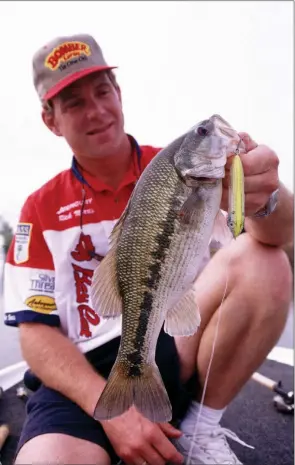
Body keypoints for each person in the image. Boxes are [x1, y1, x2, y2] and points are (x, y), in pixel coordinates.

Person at [3, 33, 293, 465]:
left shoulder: (179, 169)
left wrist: (266, 197)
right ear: (51, 120)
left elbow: (276, 234)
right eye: (74, 102)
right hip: (81, 374)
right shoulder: (39, 209)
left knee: (263, 260)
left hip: (171, 341)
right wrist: (112, 412)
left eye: (103, 91)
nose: (97, 110)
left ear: (118, 95)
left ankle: (201, 428)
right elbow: (35, 332)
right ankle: (127, 410)